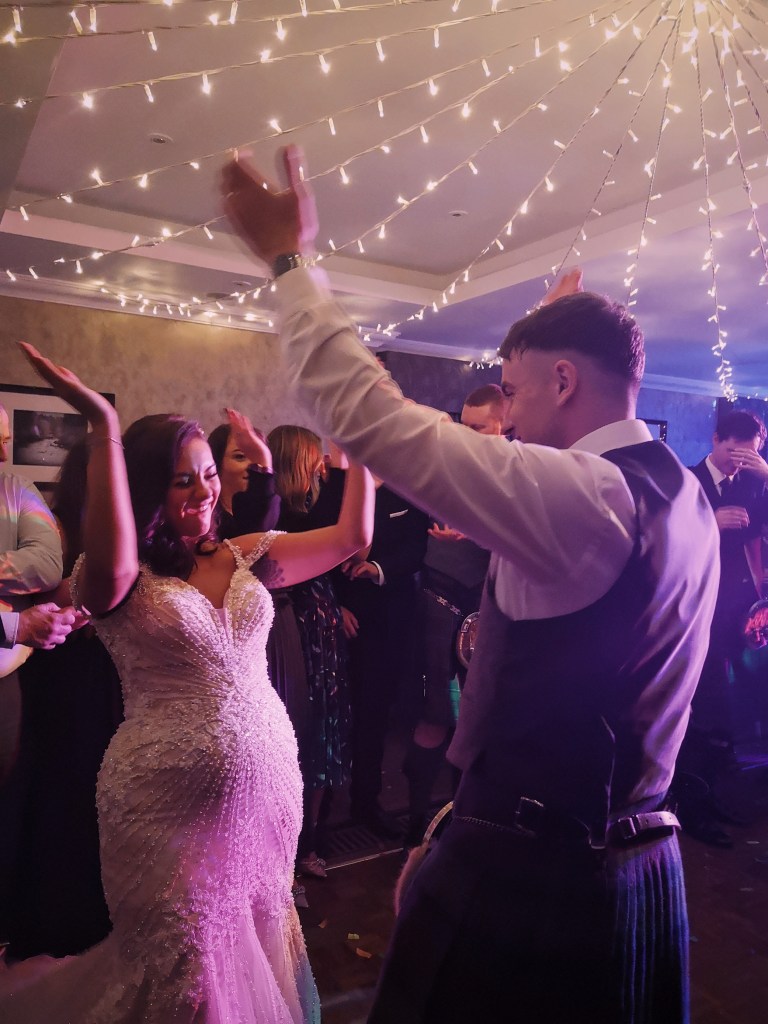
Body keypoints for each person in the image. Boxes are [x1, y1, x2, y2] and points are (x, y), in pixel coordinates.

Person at [221, 146, 720, 1024]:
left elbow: (371, 419)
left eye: (518, 395)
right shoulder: (677, 488)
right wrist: (457, 821)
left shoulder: (585, 493)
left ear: (565, 382)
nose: (509, 420)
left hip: (541, 880)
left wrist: (290, 262)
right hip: (630, 857)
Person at [0, 344, 373, 1024]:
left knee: (256, 950)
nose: (204, 491)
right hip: (162, 804)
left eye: (208, 474)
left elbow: (352, 537)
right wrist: (104, 429)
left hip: (266, 798)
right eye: (181, 480)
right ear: (146, 489)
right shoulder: (113, 577)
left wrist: (367, 439)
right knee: (185, 975)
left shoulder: (246, 554)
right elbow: (112, 556)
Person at [3, 442, 125, 960]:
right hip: (59, 676)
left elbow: (40, 563)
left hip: (92, 680)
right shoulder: (68, 520)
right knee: (56, 804)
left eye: (5, 443)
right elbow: (61, 585)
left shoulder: (15, 491)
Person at [402, 385, 503, 849]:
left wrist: (476, 535)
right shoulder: (449, 463)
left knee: (481, 719)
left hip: (490, 612)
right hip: (439, 604)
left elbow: (524, 544)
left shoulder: (517, 473)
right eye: (463, 424)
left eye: (478, 427)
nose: (467, 434)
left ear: (504, 426)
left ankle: (465, 823)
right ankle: (417, 827)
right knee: (435, 714)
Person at [676, 410, 768, 845]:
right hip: (697, 609)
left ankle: (720, 797)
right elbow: (666, 541)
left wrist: (765, 473)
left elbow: (760, 534)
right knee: (703, 707)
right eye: (735, 453)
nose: (739, 464)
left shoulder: (752, 480)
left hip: (741, 611)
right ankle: (691, 807)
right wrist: (709, 524)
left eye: (751, 456)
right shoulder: (687, 479)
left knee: (735, 708)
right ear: (715, 440)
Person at [268, 425, 352, 878]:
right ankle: (289, 850)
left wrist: (341, 605)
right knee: (300, 737)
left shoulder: (304, 508)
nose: (320, 463)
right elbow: (333, 532)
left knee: (324, 736)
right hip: (295, 634)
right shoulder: (278, 514)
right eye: (313, 457)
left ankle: (311, 839)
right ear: (291, 463)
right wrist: (342, 471)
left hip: (324, 630)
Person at [334, 478, 429, 839]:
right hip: (339, 618)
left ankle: (365, 802)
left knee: (375, 714)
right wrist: (334, 604)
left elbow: (417, 547)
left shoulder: (407, 488)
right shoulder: (338, 487)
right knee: (332, 717)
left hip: (390, 621)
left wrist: (378, 569)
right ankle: (318, 818)